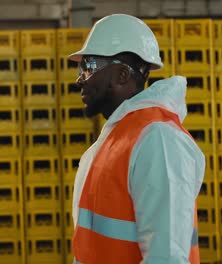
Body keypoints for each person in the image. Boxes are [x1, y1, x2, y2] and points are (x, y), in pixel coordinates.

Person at [68, 14, 205, 263]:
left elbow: (166, 258)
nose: (79, 79)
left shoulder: (158, 140)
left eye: (88, 67)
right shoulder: (114, 140)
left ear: (122, 75)